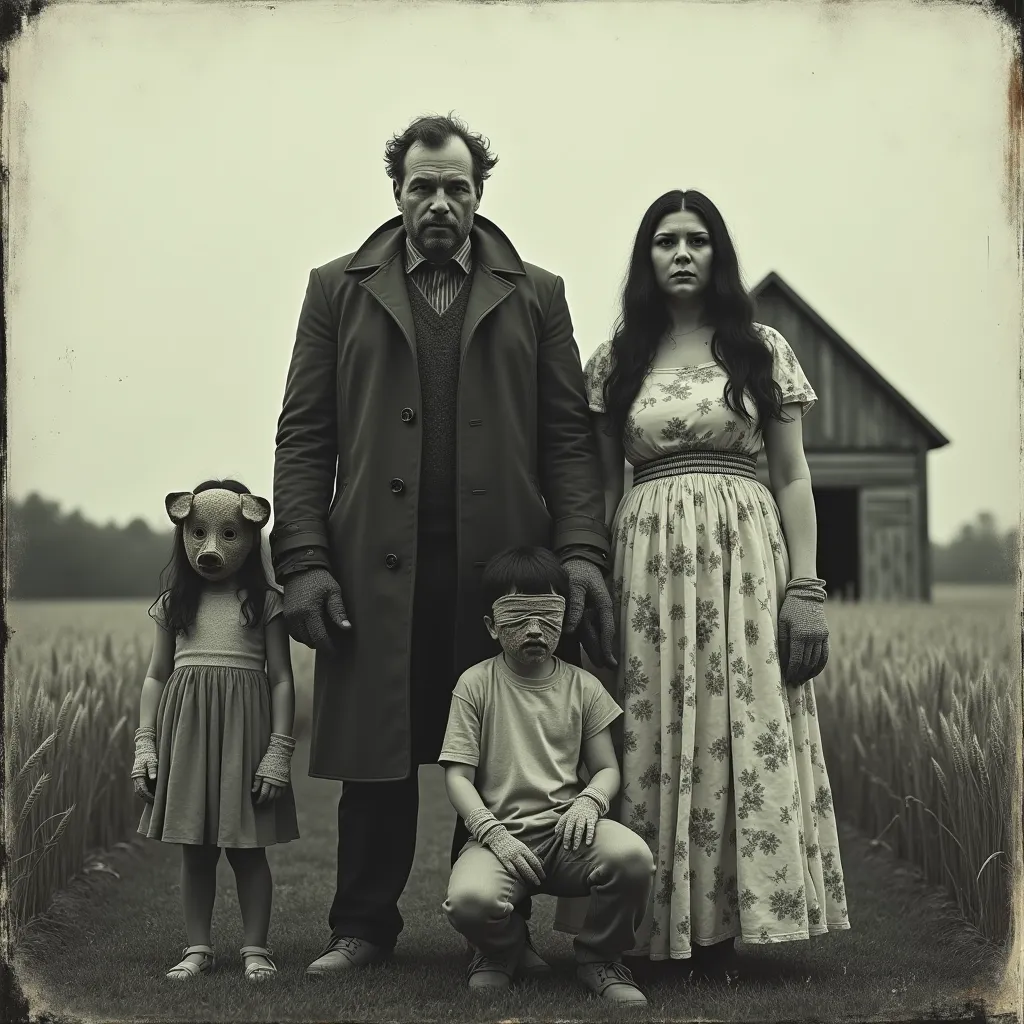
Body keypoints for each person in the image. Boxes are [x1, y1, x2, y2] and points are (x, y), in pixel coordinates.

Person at [269, 112, 617, 978]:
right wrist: (305, 562)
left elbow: (569, 440)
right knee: (376, 759)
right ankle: (362, 928)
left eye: (456, 187)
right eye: (422, 185)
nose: (438, 202)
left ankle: (492, 932)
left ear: (479, 195)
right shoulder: (334, 288)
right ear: (396, 193)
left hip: (503, 574)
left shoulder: (537, 292)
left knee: (505, 755)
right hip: (369, 569)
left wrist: (579, 552)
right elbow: (305, 437)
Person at [553, 189, 850, 974]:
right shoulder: (617, 361)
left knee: (740, 723)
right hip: (646, 562)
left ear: (718, 253)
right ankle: (648, 928)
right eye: (664, 241)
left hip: (746, 561)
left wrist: (806, 587)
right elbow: (606, 487)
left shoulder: (759, 349)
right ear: (645, 257)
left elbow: (791, 476)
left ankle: (731, 926)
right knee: (650, 726)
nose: (681, 253)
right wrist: (601, 584)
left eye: (697, 240)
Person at [440, 546, 655, 1003]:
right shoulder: (474, 685)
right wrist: (490, 833)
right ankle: (502, 950)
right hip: (499, 838)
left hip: (569, 834)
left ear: (564, 618)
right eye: (518, 616)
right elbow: (457, 776)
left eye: (547, 615)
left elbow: (606, 769)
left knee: (632, 858)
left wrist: (591, 801)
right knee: (468, 902)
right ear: (491, 625)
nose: (534, 629)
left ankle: (600, 958)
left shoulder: (584, 686)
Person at [132, 479, 299, 982]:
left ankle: (255, 949)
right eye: (199, 532)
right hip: (185, 732)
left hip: (245, 733)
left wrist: (279, 750)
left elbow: (283, 679)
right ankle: (197, 948)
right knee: (196, 849)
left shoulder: (265, 602)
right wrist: (145, 741)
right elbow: (156, 674)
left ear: (249, 538)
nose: (211, 546)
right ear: (183, 534)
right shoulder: (172, 604)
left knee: (247, 848)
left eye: (228, 533)